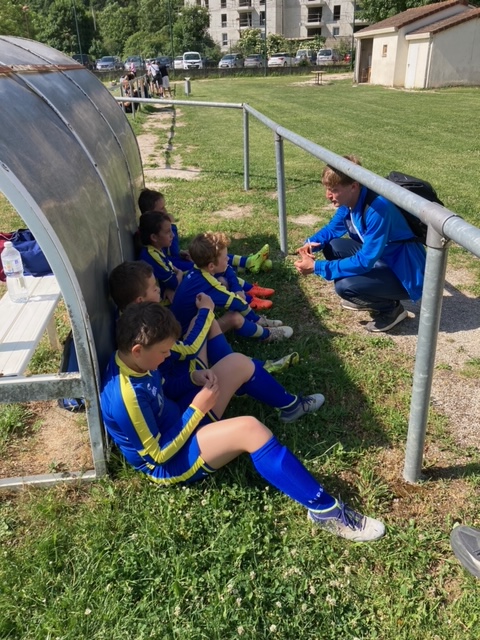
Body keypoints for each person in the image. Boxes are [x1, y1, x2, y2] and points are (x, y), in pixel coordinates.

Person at [100, 301, 385, 542]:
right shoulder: (125, 397)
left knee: (236, 362)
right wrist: (197, 410)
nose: (166, 358)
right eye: (163, 352)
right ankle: (326, 511)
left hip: (181, 421)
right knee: (250, 429)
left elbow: (163, 388)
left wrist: (192, 378)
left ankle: (292, 407)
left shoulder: (138, 361)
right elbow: (157, 455)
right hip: (169, 462)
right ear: (137, 350)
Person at [108, 261, 318, 422]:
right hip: (187, 403)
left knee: (207, 326)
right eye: (154, 288)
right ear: (139, 301)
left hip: (181, 382)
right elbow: (189, 350)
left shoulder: (128, 321)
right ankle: (290, 405)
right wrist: (206, 310)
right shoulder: (145, 334)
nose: (158, 290)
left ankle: (242, 379)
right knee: (235, 360)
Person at [294, 156, 426, 332]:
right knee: (332, 245)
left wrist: (316, 267)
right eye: (327, 189)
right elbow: (332, 230)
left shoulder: (378, 209)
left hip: (405, 273)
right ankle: (370, 293)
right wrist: (310, 244)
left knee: (345, 286)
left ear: (354, 186)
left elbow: (365, 261)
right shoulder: (351, 200)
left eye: (334, 190)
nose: (328, 195)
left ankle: (392, 309)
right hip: (383, 259)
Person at [136, 210, 274, 311]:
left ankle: (249, 285)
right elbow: (173, 282)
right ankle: (248, 298)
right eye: (167, 231)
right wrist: (178, 273)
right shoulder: (151, 254)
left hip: (181, 284)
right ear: (154, 237)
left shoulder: (156, 248)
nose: (172, 234)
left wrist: (179, 257)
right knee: (216, 266)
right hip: (171, 300)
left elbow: (171, 259)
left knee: (217, 257)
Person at [170, 231, 293, 342]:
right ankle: (267, 334)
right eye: (225, 258)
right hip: (188, 338)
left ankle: (259, 323)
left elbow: (227, 269)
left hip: (183, 327)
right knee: (234, 317)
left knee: (223, 280)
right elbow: (237, 303)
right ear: (211, 266)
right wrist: (255, 319)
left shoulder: (199, 269)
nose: (228, 259)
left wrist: (237, 289)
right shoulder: (208, 284)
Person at [137, 188, 273, 274]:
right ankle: (247, 265)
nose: (166, 211)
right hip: (176, 266)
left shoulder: (152, 228)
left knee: (213, 253)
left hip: (176, 261)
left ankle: (248, 262)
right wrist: (171, 225)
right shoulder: (153, 233)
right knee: (206, 260)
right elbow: (172, 251)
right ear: (150, 213)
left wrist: (182, 253)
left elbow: (173, 252)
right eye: (162, 209)